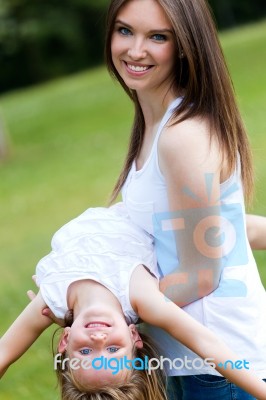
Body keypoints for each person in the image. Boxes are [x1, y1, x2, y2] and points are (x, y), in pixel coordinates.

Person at [105, 0, 266, 398]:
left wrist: (114, 303)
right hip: (189, 360)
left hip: (221, 366)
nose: (135, 50)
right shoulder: (157, 124)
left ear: (184, 46)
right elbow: (219, 226)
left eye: (157, 36)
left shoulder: (183, 135)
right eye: (125, 30)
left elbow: (200, 273)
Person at [1, 204, 266, 400]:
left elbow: (4, 353)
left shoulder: (52, 299)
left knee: (236, 229)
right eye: (114, 349)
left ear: (65, 341)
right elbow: (206, 343)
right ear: (133, 336)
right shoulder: (140, 296)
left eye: (84, 353)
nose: (98, 340)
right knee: (232, 230)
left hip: (133, 204)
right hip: (158, 212)